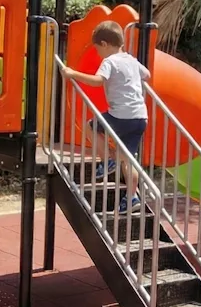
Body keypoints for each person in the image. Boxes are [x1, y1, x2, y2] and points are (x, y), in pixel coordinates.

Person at [62, 21, 150, 212]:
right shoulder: (131, 60)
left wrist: (73, 74)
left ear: (104, 44)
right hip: (140, 117)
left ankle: (107, 159)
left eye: (97, 49)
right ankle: (131, 197)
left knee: (90, 126)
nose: (98, 53)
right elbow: (147, 75)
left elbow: (97, 81)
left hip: (120, 116)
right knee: (128, 159)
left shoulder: (110, 61)